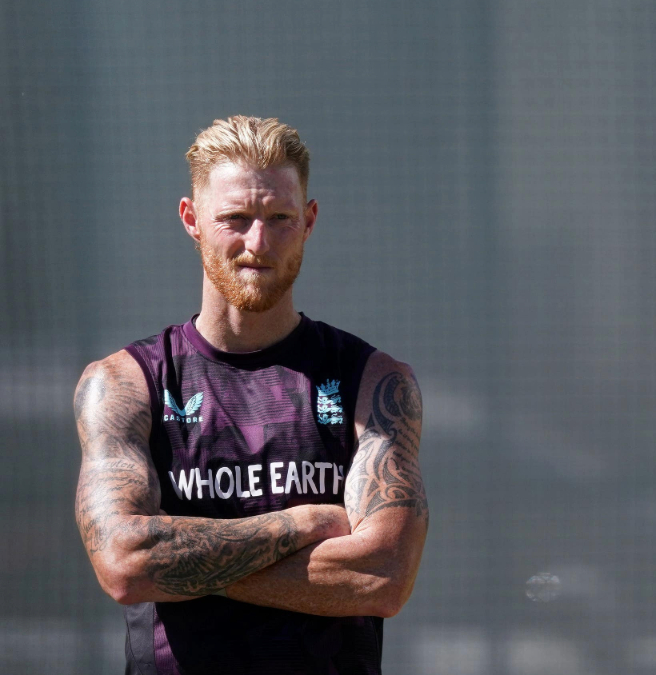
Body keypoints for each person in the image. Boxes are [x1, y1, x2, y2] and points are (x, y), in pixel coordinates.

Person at [73, 116, 428, 674]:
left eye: (279, 218)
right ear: (192, 219)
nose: (257, 243)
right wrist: (305, 524)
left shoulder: (372, 382)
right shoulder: (124, 383)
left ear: (309, 221)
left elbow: (381, 574)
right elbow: (125, 564)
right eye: (235, 219)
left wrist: (185, 563)